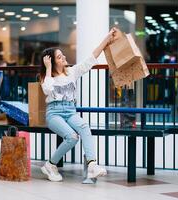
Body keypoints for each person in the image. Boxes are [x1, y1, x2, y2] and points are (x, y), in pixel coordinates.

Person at [40, 27, 116, 182]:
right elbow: (47, 90)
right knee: (72, 137)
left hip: (70, 111)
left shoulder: (72, 72)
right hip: (54, 113)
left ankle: (92, 166)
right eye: (59, 57)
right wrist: (48, 69)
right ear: (52, 62)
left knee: (84, 127)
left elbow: (92, 57)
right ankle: (50, 164)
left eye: (62, 55)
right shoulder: (47, 78)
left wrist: (107, 38)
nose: (64, 58)